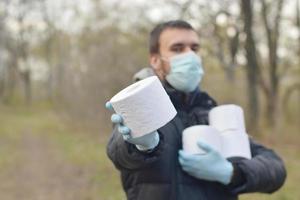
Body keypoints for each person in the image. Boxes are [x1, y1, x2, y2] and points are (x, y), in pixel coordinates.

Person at [105, 20, 286, 200]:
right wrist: (142, 145)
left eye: (194, 48)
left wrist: (230, 172)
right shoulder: (141, 108)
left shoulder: (213, 113)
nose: (190, 55)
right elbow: (119, 153)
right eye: (177, 49)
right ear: (155, 60)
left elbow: (275, 168)